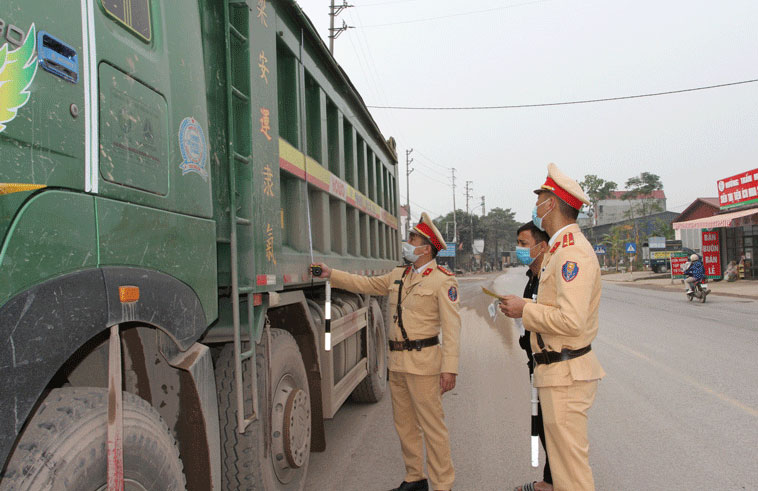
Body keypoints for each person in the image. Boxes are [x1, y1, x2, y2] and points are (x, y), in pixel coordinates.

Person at [311, 212, 461, 491]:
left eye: (413, 238)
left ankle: (443, 485)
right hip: (399, 363)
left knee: (433, 427)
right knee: (405, 425)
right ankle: (415, 478)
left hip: (425, 363)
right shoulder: (397, 275)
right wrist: (332, 274)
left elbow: (452, 329)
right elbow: (365, 285)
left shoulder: (443, 281)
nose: (407, 242)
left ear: (426, 248)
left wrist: (449, 368)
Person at [500, 163, 605, 491]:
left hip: (566, 374)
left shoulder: (572, 254)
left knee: (572, 476)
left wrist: (525, 309)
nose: (537, 205)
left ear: (553, 204)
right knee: (562, 474)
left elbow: (571, 321)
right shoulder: (560, 249)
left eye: (541, 198)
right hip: (556, 373)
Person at [508, 222, 552, 491]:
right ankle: (550, 480)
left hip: (551, 362)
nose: (519, 249)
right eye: (519, 243)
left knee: (554, 428)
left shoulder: (550, 277)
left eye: (524, 244)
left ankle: (553, 483)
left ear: (542, 246)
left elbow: (555, 315)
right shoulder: (533, 276)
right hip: (535, 361)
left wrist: (524, 308)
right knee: (544, 424)